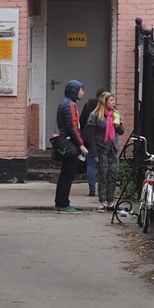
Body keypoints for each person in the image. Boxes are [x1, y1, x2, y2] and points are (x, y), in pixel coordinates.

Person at [54, 79, 90, 213]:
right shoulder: (70, 105)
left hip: (66, 141)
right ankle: (64, 204)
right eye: (81, 90)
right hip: (70, 143)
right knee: (68, 175)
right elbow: (72, 127)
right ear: (74, 91)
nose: (83, 92)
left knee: (65, 174)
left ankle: (60, 203)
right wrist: (81, 145)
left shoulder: (65, 104)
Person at [87, 90, 124, 211]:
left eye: (114, 100)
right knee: (103, 175)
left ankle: (111, 201)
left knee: (113, 175)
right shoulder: (95, 115)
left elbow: (121, 132)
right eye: (111, 100)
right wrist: (94, 153)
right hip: (101, 148)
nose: (114, 102)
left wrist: (117, 125)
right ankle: (102, 201)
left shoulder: (115, 114)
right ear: (104, 101)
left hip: (113, 148)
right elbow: (91, 135)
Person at [78, 87, 101, 197]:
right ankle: (102, 188)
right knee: (102, 164)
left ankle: (92, 188)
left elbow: (82, 121)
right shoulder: (105, 107)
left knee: (90, 163)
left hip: (88, 137)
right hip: (101, 139)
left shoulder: (88, 104)